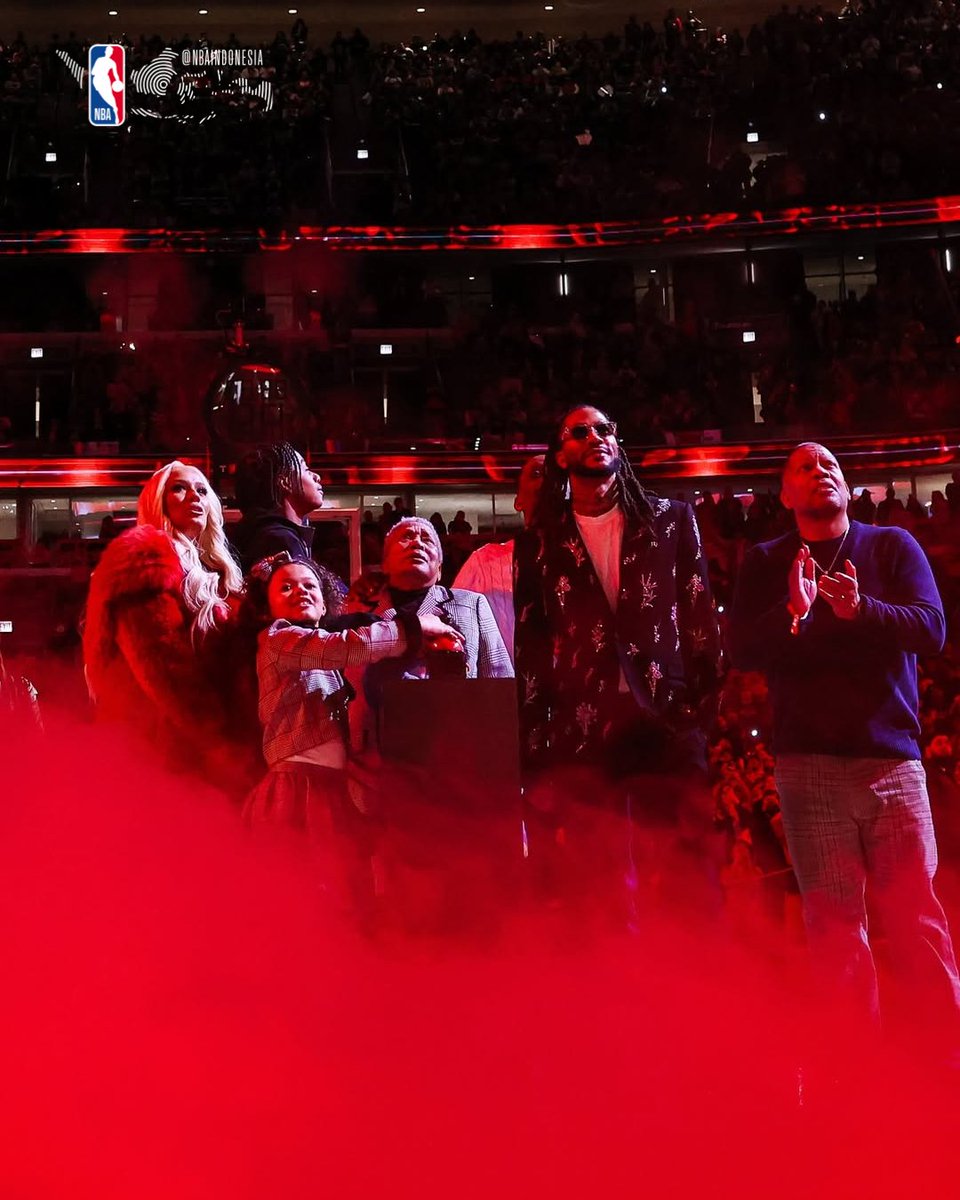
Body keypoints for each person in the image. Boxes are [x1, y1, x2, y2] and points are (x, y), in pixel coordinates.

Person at [729, 442, 960, 1050]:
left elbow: (932, 629)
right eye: (804, 467)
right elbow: (742, 651)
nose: (820, 471)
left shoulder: (890, 546)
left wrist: (861, 611)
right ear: (784, 495)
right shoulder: (766, 560)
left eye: (829, 464)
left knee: (916, 919)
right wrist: (793, 611)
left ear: (846, 483)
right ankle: (855, 1071)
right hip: (808, 770)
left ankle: (943, 1053)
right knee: (834, 929)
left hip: (892, 765)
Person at [513, 404, 722, 919]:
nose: (595, 437)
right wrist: (536, 747)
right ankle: (612, 990)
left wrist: (702, 711)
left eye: (605, 428)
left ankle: (700, 987)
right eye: (579, 432)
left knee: (686, 872)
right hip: (584, 725)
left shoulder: (671, 519)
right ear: (561, 455)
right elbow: (532, 646)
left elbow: (699, 615)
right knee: (597, 879)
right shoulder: (539, 541)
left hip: (666, 717)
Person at [241, 551, 464, 913]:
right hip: (295, 790)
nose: (301, 590)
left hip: (327, 789)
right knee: (300, 900)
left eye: (309, 584)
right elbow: (347, 645)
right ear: (267, 606)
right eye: (286, 587)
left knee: (338, 900)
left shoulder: (315, 651)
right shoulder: (277, 639)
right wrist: (413, 627)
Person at [83, 460, 245, 774]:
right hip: (158, 750)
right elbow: (162, 666)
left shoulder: (211, 570)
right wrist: (219, 742)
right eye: (179, 489)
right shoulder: (145, 561)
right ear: (157, 501)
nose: (195, 497)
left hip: (188, 745)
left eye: (202, 490)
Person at [349, 517, 513, 681]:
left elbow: (499, 680)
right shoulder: (359, 608)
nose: (417, 543)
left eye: (427, 539)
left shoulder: (472, 604)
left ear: (439, 569)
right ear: (385, 563)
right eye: (406, 537)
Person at [452, 454, 544, 662]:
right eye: (537, 473)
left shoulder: (593, 561)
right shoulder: (484, 562)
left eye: (559, 475)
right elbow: (454, 633)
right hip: (503, 691)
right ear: (518, 501)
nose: (548, 480)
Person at [232, 442, 326, 573]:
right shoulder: (281, 541)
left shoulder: (259, 533)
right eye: (306, 469)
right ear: (285, 482)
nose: (316, 477)